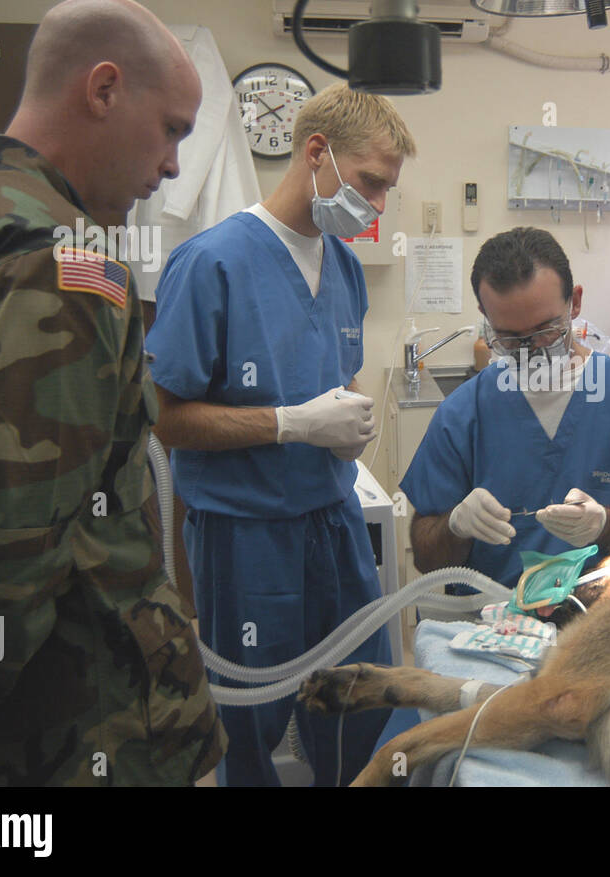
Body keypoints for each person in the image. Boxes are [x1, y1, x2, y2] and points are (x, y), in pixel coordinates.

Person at [0, 0, 226, 785]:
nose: (175, 165)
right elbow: (18, 517)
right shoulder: (66, 257)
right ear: (104, 89)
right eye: (174, 128)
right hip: (78, 715)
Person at [145, 84, 416, 786]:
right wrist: (290, 425)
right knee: (251, 723)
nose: (379, 205)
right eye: (371, 182)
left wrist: (350, 422)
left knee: (364, 698)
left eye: (389, 189)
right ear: (317, 152)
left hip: (334, 522)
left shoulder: (345, 266)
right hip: (246, 533)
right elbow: (166, 417)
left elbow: (335, 378)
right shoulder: (212, 263)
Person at [401, 227, 610, 587]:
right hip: (492, 623)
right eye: (510, 337)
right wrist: (455, 526)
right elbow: (425, 556)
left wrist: (607, 523)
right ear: (485, 315)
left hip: (602, 619)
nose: (532, 349)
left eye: (547, 330)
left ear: (574, 302)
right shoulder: (464, 414)